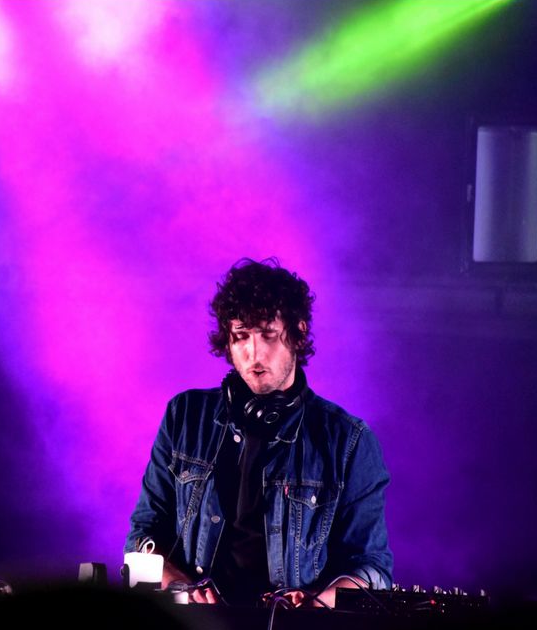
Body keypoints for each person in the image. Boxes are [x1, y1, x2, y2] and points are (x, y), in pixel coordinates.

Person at [125, 258, 393, 608]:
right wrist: (182, 589)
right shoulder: (184, 417)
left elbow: (372, 567)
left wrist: (317, 603)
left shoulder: (348, 441)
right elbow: (141, 539)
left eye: (267, 335)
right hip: (196, 628)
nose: (254, 354)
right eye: (241, 337)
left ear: (298, 334)